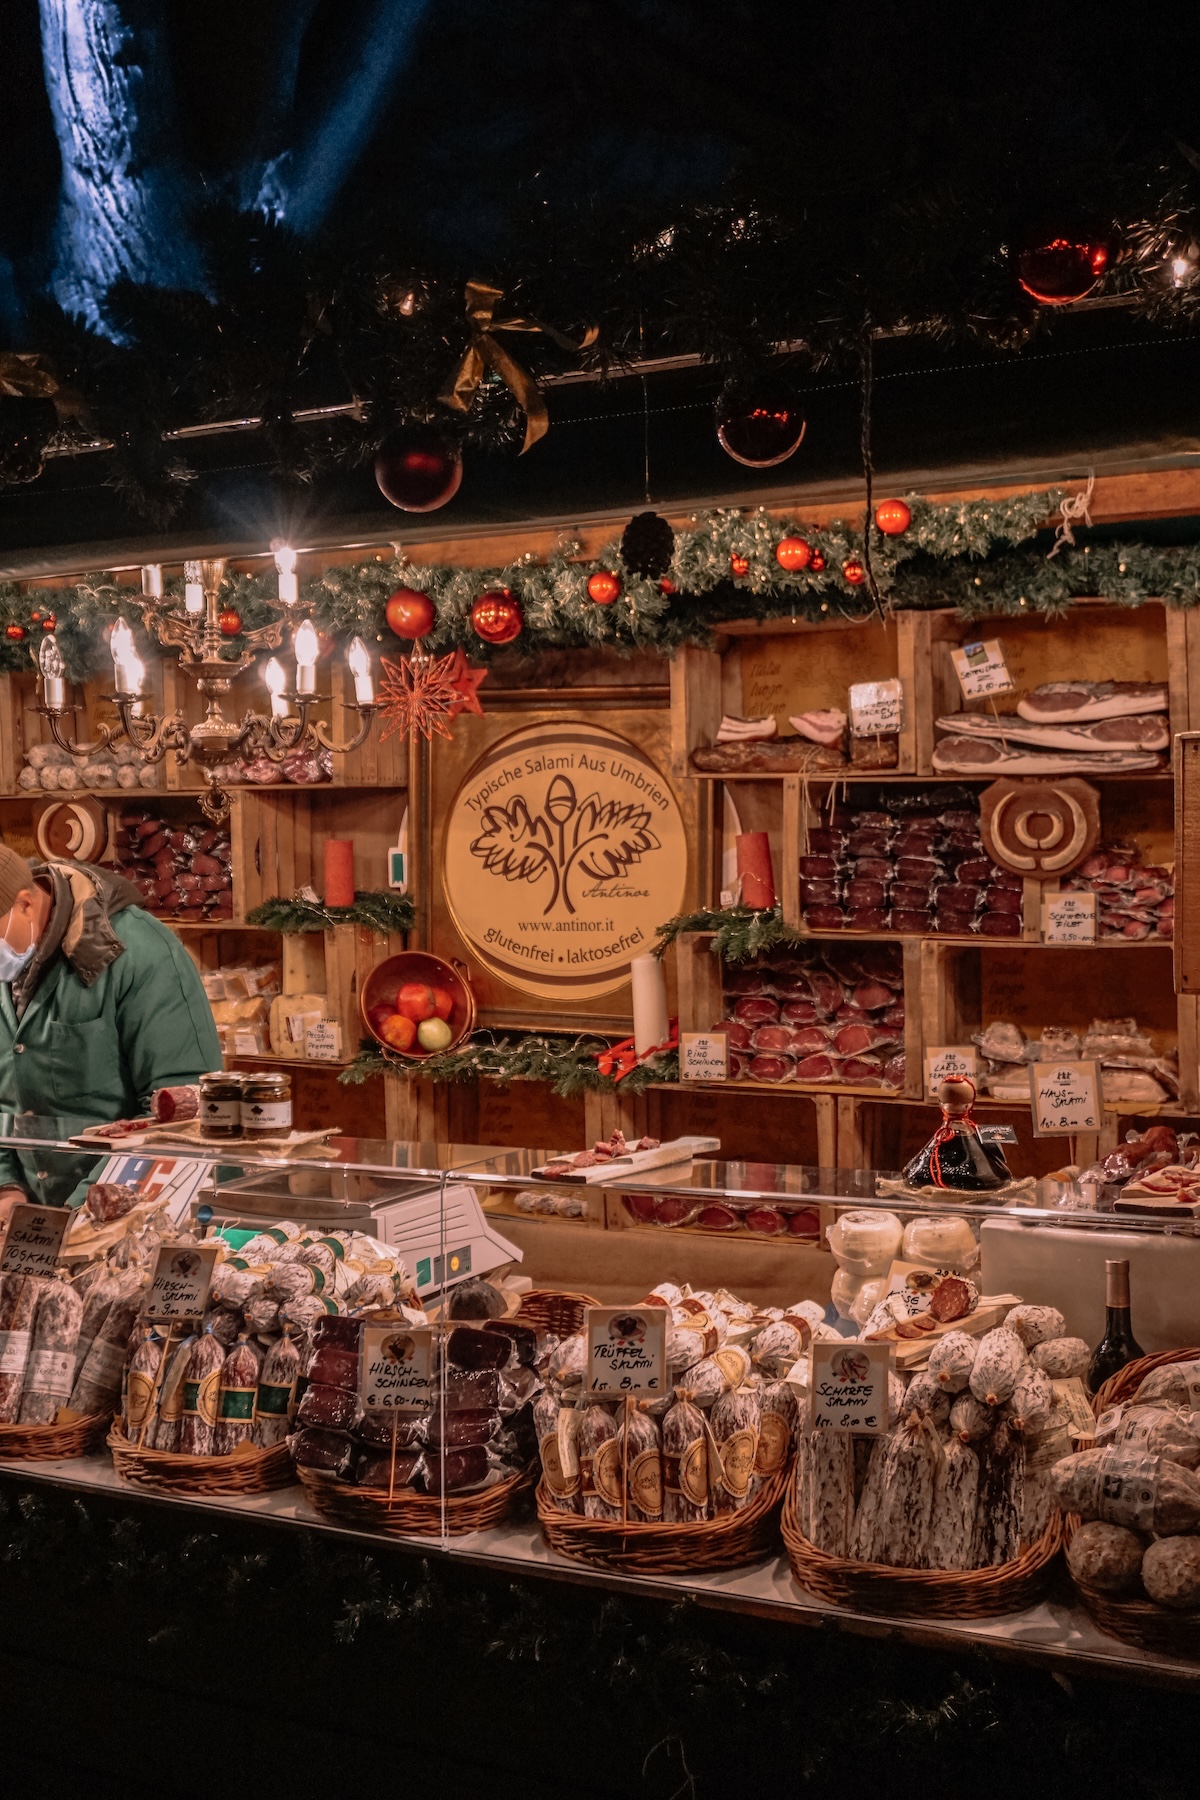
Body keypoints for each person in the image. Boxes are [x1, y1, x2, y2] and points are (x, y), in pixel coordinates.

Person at [0, 845, 220, 1212]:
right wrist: (6, 1187)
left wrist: (84, 1209)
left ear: (25, 904)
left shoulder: (140, 952)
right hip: (27, 1226)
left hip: (124, 1214)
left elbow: (182, 1110)